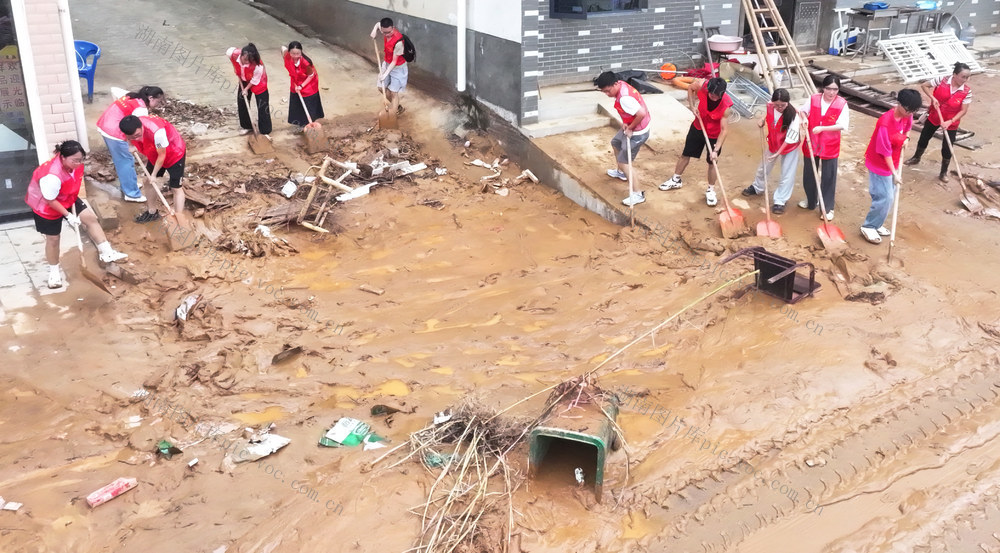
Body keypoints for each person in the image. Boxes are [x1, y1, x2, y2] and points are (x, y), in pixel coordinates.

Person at [24, 141, 127, 289]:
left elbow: (73, 180)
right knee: (53, 239)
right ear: (63, 157)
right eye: (75, 160)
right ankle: (54, 272)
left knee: (90, 219)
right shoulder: (51, 175)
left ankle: (106, 252)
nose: (79, 163)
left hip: (67, 197)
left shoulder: (76, 164)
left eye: (81, 159)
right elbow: (50, 200)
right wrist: (69, 216)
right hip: (46, 205)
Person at [860, 89, 921, 245]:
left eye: (913, 111)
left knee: (890, 195)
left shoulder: (908, 115)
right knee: (884, 197)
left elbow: (907, 128)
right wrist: (895, 173)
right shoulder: (885, 123)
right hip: (879, 163)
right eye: (908, 110)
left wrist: (906, 138)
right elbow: (884, 151)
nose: (910, 113)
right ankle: (869, 226)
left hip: (893, 160)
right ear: (899, 104)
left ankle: (877, 224)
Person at [661, 77, 732, 207]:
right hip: (698, 126)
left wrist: (716, 150)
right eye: (711, 95)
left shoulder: (726, 106)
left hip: (714, 134)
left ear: (722, 94)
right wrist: (692, 106)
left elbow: (724, 130)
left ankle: (711, 190)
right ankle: (676, 179)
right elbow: (690, 88)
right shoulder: (702, 85)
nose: (713, 98)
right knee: (686, 154)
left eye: (717, 96)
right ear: (708, 90)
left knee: (713, 162)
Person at [904, 62, 973, 182]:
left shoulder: (967, 91)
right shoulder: (942, 80)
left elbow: (963, 111)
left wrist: (950, 121)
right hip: (935, 116)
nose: (965, 80)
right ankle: (916, 157)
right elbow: (924, 85)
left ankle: (943, 172)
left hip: (951, 123)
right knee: (924, 138)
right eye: (963, 77)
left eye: (967, 77)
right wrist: (933, 98)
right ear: (954, 74)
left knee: (947, 147)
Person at [95, 86, 164, 203]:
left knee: (123, 160)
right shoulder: (141, 110)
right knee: (125, 161)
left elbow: (113, 89)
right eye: (158, 101)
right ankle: (131, 193)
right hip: (114, 133)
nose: (159, 104)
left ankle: (129, 184)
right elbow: (135, 131)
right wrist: (131, 145)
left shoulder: (131, 95)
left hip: (105, 124)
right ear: (151, 98)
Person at [595, 71, 651, 207]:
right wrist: (627, 123)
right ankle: (621, 173)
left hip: (638, 132)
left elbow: (641, 114)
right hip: (632, 125)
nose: (607, 94)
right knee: (615, 142)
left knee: (625, 162)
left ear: (615, 84)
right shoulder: (621, 84)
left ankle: (638, 194)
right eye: (604, 92)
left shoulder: (625, 98)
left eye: (608, 91)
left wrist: (631, 127)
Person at [119, 115, 187, 226]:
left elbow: (162, 155)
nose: (136, 139)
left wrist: (154, 175)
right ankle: (152, 212)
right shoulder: (129, 129)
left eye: (137, 135)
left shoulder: (157, 132)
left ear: (141, 127)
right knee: (147, 181)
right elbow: (128, 136)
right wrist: (131, 145)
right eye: (132, 137)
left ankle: (180, 221)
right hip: (154, 152)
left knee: (176, 188)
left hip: (174, 153)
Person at [799, 74, 849, 221]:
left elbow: (843, 125)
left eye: (835, 89)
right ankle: (811, 200)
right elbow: (803, 111)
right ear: (823, 88)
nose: (831, 92)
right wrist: (804, 119)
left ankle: (827, 207)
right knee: (809, 173)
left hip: (830, 144)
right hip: (812, 141)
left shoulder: (842, 103)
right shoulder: (814, 98)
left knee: (828, 176)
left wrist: (823, 128)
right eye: (828, 89)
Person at [742, 88, 800, 215]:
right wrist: (763, 119)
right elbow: (769, 114)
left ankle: (780, 201)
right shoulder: (770, 105)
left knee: (787, 174)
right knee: (763, 167)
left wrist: (778, 152)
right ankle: (758, 187)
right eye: (777, 105)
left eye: (782, 105)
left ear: (788, 103)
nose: (779, 108)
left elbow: (790, 138)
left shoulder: (794, 115)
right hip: (774, 143)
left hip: (789, 146)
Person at [227, 43, 271, 137]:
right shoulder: (233, 54)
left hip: (259, 82)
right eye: (245, 59)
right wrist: (235, 67)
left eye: (250, 61)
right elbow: (229, 53)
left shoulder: (258, 66)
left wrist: (246, 89)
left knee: (262, 105)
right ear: (241, 55)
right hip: (243, 78)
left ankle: (265, 130)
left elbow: (255, 80)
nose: (247, 62)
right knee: (242, 101)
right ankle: (247, 126)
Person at [281, 41, 324, 128]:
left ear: (301, 52)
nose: (295, 56)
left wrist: (301, 86)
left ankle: (308, 124)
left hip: (308, 84)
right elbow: (282, 48)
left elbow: (311, 75)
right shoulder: (287, 55)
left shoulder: (306, 63)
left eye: (298, 53)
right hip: (295, 81)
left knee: (308, 104)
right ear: (289, 52)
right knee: (297, 102)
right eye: (293, 53)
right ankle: (300, 123)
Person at [370, 17, 408, 115]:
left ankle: (393, 116)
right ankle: (397, 107)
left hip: (398, 68)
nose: (386, 35)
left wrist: (385, 74)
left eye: (388, 32)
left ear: (393, 28)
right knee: (381, 87)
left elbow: (394, 62)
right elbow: (378, 24)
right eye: (384, 32)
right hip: (387, 63)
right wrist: (374, 31)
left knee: (393, 92)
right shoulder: (383, 28)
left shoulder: (398, 42)